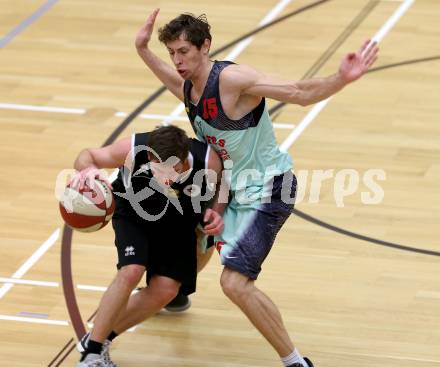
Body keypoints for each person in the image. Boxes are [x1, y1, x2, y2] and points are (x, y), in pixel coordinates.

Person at [135, 8, 379, 367]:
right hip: (228, 189)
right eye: (172, 52)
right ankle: (177, 294)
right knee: (194, 228)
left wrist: (341, 78)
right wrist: (143, 50)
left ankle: (296, 361)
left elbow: (297, 91)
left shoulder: (233, 80)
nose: (177, 60)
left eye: (183, 52)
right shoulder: (189, 86)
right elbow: (172, 81)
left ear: (206, 47)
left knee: (234, 284)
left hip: (267, 189)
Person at [72, 125, 225, 366]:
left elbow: (220, 189)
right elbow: (87, 155)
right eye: (156, 168)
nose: (162, 177)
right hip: (134, 213)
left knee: (165, 290)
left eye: (170, 170)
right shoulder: (132, 148)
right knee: (131, 270)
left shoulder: (208, 162)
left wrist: (216, 213)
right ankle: (90, 355)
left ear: (184, 159)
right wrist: (89, 170)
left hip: (178, 223)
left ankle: (99, 339)